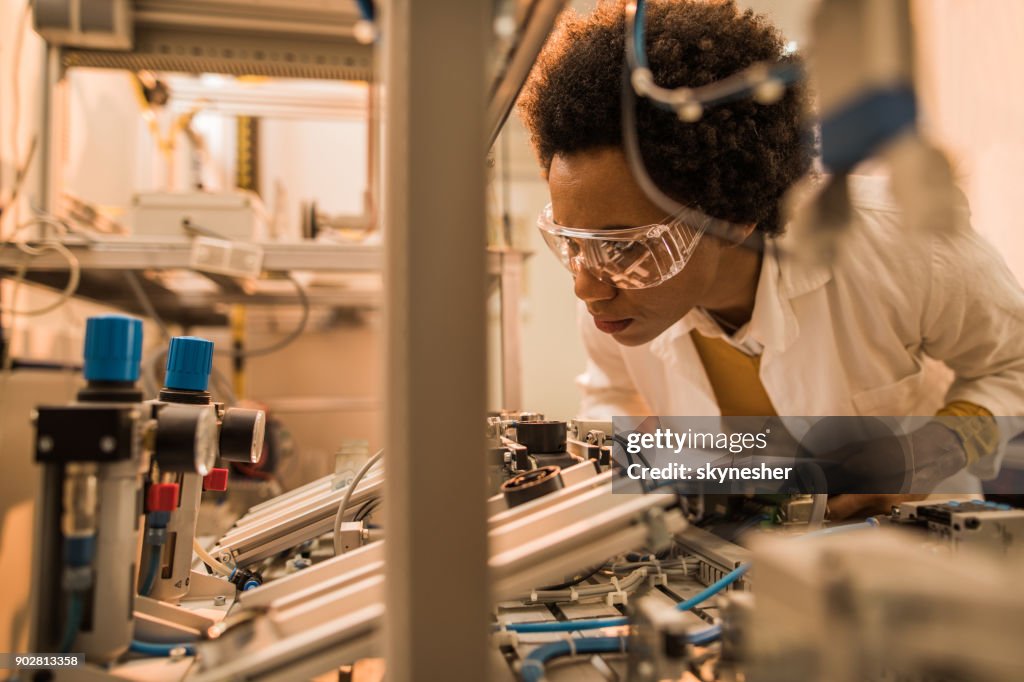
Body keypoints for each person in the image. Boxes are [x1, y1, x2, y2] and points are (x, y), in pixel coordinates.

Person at [517, 0, 1024, 518]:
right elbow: (615, 400)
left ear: (733, 216)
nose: (587, 287)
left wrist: (924, 454)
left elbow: (1016, 367)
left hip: (914, 557)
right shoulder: (614, 297)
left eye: (623, 245)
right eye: (573, 242)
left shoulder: (902, 242)